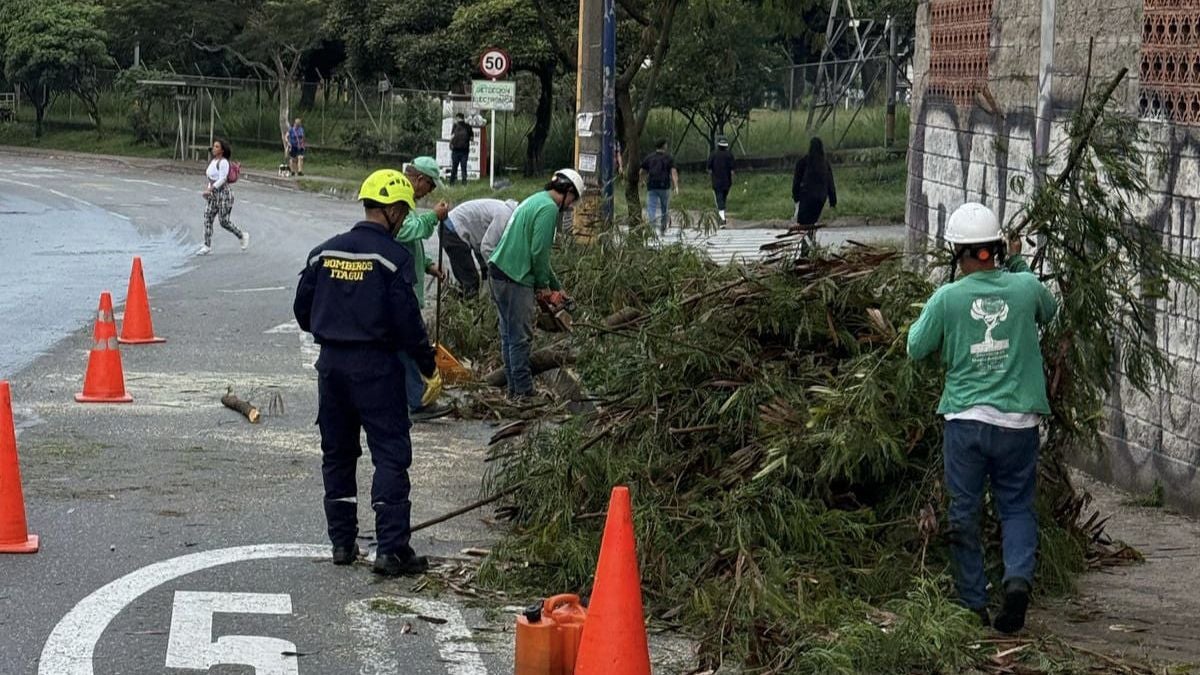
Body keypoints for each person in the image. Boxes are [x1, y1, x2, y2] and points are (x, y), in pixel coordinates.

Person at [907, 202, 1057, 634]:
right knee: (1015, 506)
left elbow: (915, 347)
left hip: (966, 424)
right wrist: (1020, 262)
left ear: (958, 253)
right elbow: (1052, 312)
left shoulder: (948, 298)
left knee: (964, 513)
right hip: (1018, 426)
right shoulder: (1026, 287)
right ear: (996, 249)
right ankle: (1016, 584)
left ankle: (974, 603)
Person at [292, 169, 441, 577]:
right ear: (392, 210)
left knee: (338, 454)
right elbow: (408, 323)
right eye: (403, 212)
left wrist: (335, 328)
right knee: (390, 455)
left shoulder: (325, 253)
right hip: (377, 369)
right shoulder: (393, 259)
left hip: (332, 368)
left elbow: (302, 312)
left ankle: (342, 543)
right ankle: (391, 549)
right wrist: (427, 364)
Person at [487, 169, 583, 398]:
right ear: (568, 191)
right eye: (572, 200)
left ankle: (513, 390)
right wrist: (543, 288)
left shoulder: (535, 200)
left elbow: (540, 257)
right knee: (520, 338)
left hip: (499, 272)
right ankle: (524, 392)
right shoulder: (549, 209)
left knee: (508, 335)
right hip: (515, 277)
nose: (571, 205)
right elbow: (539, 252)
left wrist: (556, 286)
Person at [393, 156, 453, 421]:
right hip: (400, 290)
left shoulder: (408, 201)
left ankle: (409, 397)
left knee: (402, 347)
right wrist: (434, 216)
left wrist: (428, 265)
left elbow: (411, 244)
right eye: (429, 186)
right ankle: (418, 401)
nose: (430, 192)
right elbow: (406, 232)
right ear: (419, 179)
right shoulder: (398, 199)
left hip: (407, 287)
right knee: (410, 347)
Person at [442, 198, 519, 298]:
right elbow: (486, 247)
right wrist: (500, 273)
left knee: (483, 273)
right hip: (452, 229)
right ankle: (469, 308)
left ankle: (476, 302)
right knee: (470, 280)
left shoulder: (507, 213)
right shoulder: (505, 216)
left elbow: (483, 241)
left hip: (462, 229)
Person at [197, 139, 248, 256]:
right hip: (213, 194)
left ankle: (241, 235)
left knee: (223, 221)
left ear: (222, 150)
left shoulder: (223, 162)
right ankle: (207, 245)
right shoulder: (213, 161)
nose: (213, 149)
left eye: (216, 147)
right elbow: (211, 178)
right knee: (208, 216)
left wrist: (211, 189)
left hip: (224, 194)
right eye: (214, 146)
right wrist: (208, 190)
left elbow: (222, 179)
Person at [792, 137, 837, 226]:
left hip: (807, 197)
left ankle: (806, 239)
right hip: (820, 198)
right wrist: (833, 202)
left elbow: (796, 182)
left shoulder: (803, 162)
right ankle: (812, 237)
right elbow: (830, 184)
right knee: (813, 221)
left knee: (803, 223)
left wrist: (796, 197)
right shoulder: (825, 164)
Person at [640, 139, 679, 235]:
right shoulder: (669, 158)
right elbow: (673, 172)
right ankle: (663, 227)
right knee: (664, 207)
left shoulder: (649, 157)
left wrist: (642, 181)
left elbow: (641, 171)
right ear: (664, 146)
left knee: (651, 207)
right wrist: (676, 186)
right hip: (664, 186)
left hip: (652, 186)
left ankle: (651, 227)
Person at [706, 136, 736, 225]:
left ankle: (722, 219)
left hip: (716, 182)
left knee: (719, 201)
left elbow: (709, 168)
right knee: (723, 199)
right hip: (727, 182)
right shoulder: (729, 155)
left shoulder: (713, 154)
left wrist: (711, 176)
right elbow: (732, 171)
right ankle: (721, 216)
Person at [449, 113, 473, 185]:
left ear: (458, 118)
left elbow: (452, 136)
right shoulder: (468, 126)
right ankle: (464, 183)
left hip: (455, 150)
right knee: (464, 167)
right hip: (464, 151)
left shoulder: (455, 126)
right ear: (463, 118)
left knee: (454, 167)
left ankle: (452, 183)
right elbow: (471, 138)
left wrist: (450, 144)